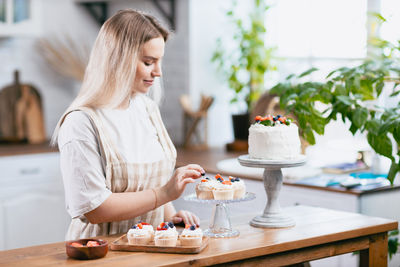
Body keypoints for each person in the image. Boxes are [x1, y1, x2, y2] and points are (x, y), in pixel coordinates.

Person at [52, 9, 204, 240]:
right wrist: (164, 194)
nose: (158, 72)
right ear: (119, 60)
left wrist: (169, 215)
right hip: (100, 253)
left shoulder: (146, 109)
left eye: (159, 61)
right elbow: (95, 208)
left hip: (149, 249)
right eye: (148, 62)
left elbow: (153, 180)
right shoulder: (81, 122)